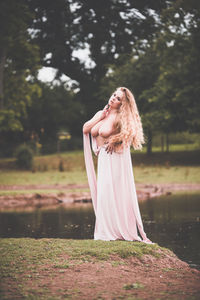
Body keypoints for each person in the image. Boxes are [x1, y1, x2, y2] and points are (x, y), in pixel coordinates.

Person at [82, 87, 154, 244]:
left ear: (124, 104)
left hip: (114, 159)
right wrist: (100, 117)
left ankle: (117, 230)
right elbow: (86, 129)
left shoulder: (121, 118)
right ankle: (105, 231)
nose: (114, 98)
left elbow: (129, 133)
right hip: (103, 159)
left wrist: (115, 139)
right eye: (114, 95)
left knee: (111, 193)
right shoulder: (102, 113)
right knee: (103, 194)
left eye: (119, 98)